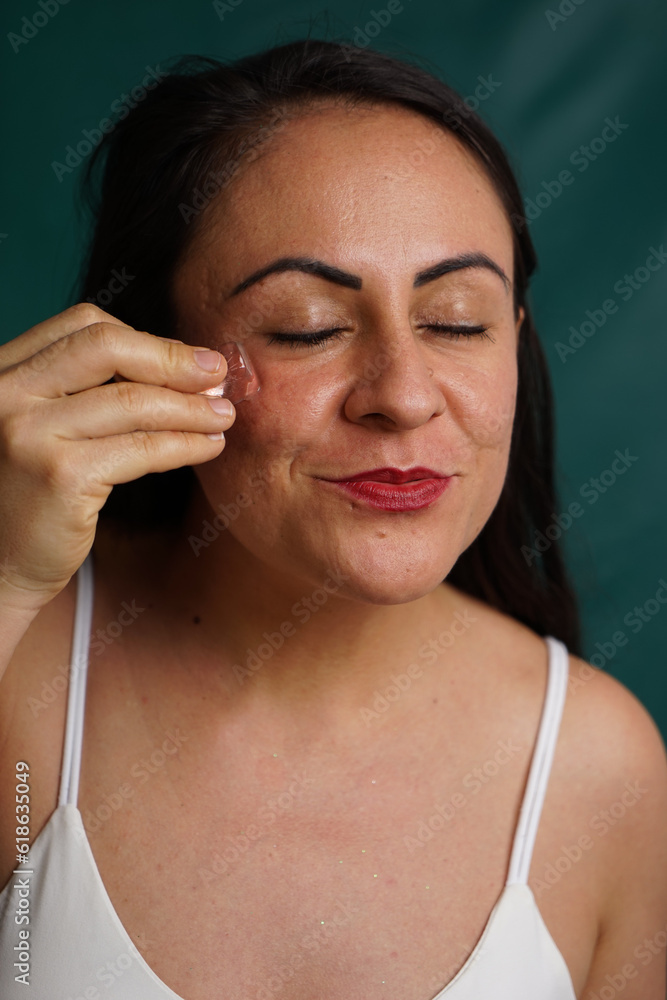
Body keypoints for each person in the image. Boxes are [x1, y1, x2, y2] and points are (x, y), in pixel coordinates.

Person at [0, 37, 665, 1000]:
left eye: (456, 321)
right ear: (148, 353)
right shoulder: (23, 674)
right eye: (306, 327)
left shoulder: (603, 772)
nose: (401, 395)